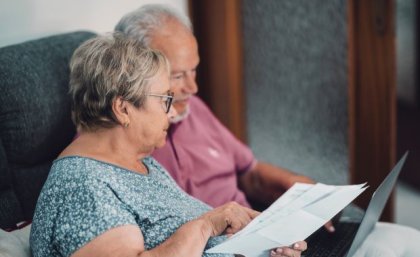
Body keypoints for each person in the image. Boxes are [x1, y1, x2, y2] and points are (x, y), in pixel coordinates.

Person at [30, 33, 306, 257]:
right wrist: (207, 224)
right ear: (123, 109)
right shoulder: (82, 185)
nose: (172, 113)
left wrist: (258, 243)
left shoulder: (143, 165)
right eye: (165, 100)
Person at [114, 4, 336, 232]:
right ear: (134, 74)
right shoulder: (115, 144)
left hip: (257, 235)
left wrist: (294, 186)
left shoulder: (194, 108)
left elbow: (249, 174)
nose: (193, 87)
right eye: (178, 76)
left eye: (194, 70)